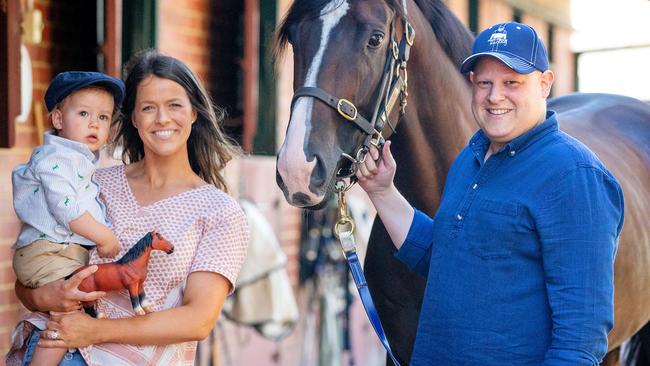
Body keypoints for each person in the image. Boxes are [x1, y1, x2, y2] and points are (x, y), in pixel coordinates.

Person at [356, 22, 624, 365]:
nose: (495, 96)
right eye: (485, 83)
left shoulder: (574, 176)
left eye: (512, 82)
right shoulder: (469, 159)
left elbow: (580, 338)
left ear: (544, 84)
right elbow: (445, 259)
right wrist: (382, 191)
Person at [6, 50, 249, 365]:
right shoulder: (92, 182)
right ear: (134, 118)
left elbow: (198, 320)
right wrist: (45, 296)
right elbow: (32, 272)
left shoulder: (220, 212)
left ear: (193, 113)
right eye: (148, 108)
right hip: (51, 350)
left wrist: (95, 331)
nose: (162, 119)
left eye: (174, 105)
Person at [11, 71, 123, 366]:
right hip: (48, 250)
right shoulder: (56, 159)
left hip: (57, 251)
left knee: (75, 306)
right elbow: (66, 208)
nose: (93, 123)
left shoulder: (79, 159)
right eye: (83, 113)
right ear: (58, 119)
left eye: (103, 117)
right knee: (67, 312)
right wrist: (104, 237)